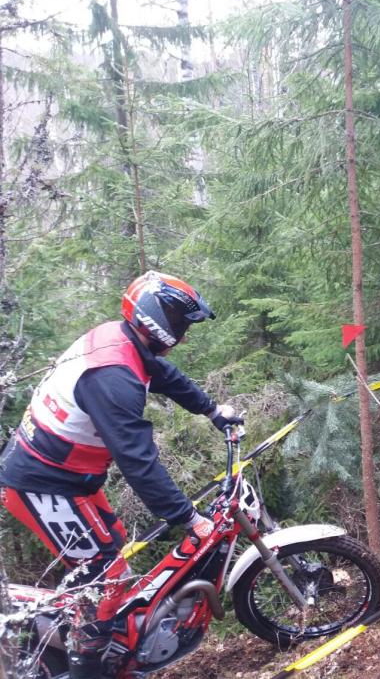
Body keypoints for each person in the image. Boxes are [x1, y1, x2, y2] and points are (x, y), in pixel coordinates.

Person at [0, 271, 242, 678]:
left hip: (69, 478)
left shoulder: (124, 340)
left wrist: (212, 410)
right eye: (180, 325)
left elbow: (163, 375)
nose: (183, 337)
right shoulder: (112, 377)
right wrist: (189, 518)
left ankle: (100, 635)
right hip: (41, 484)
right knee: (104, 579)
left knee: (112, 554)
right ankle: (89, 671)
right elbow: (137, 462)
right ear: (156, 319)